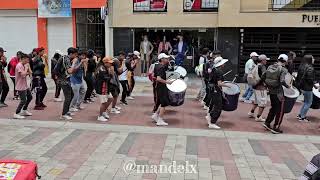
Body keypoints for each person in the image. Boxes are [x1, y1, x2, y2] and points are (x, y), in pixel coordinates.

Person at [262, 54, 290, 134]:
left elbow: (263, 77)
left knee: (273, 107)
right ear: (285, 61)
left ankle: (267, 122)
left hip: (271, 91)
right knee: (280, 110)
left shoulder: (270, 66)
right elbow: (282, 81)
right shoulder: (283, 69)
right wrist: (288, 86)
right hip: (279, 93)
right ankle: (276, 127)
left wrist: (267, 85)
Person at [205, 57, 231, 129]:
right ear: (221, 64)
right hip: (216, 90)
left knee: (213, 104)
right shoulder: (219, 71)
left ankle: (209, 117)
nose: (224, 64)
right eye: (223, 63)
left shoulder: (213, 69)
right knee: (218, 106)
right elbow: (219, 83)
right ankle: (212, 122)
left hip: (212, 89)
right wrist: (228, 85)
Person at [54, 47, 78, 120]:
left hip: (64, 79)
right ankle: (64, 114)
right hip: (63, 80)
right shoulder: (66, 59)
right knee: (68, 97)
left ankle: (66, 111)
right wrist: (74, 62)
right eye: (75, 54)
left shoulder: (65, 58)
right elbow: (70, 71)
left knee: (71, 95)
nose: (76, 56)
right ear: (71, 54)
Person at [152, 53, 173, 126]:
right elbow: (158, 79)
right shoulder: (161, 67)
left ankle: (155, 115)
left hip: (158, 87)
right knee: (164, 104)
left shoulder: (157, 65)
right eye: (166, 58)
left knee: (162, 103)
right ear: (162, 59)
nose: (167, 59)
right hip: (161, 87)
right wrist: (167, 82)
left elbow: (155, 76)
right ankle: (160, 120)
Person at [248, 54, 269, 122]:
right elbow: (264, 77)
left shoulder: (255, 65)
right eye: (265, 60)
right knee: (263, 102)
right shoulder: (262, 67)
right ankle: (258, 117)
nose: (266, 61)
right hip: (261, 87)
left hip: (255, 86)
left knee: (257, 101)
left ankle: (251, 112)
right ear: (262, 60)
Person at [296, 55, 316, 122]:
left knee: (306, 102)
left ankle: (300, 115)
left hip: (302, 87)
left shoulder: (301, 66)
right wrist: (314, 84)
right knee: (309, 102)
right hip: (307, 88)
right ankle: (302, 117)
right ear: (309, 59)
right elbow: (310, 79)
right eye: (313, 58)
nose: (314, 59)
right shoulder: (310, 68)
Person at [13, 53, 33, 119]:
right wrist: (27, 68)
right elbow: (23, 75)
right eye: (27, 60)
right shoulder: (19, 65)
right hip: (20, 86)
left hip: (25, 85)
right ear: (23, 59)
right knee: (23, 100)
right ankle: (16, 113)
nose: (28, 61)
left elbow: (30, 73)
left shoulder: (24, 65)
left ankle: (24, 110)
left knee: (30, 97)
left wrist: (28, 68)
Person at [96, 57, 114, 122]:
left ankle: (103, 112)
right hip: (102, 88)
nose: (111, 64)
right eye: (110, 63)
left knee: (111, 99)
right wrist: (111, 74)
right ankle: (100, 116)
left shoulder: (106, 68)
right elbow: (106, 78)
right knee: (104, 102)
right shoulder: (102, 69)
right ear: (105, 63)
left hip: (106, 87)